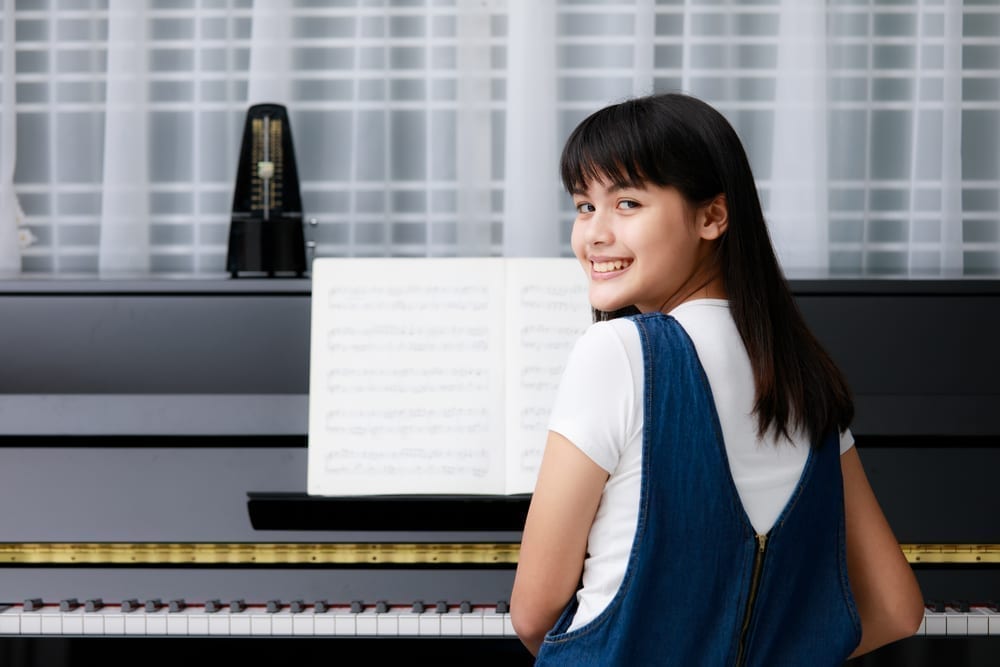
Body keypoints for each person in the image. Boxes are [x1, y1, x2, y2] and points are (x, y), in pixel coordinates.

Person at [509, 93, 924, 665]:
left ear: (712, 217)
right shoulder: (802, 375)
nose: (594, 234)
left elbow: (532, 613)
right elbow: (899, 609)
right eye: (584, 206)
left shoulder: (620, 351)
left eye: (627, 202)